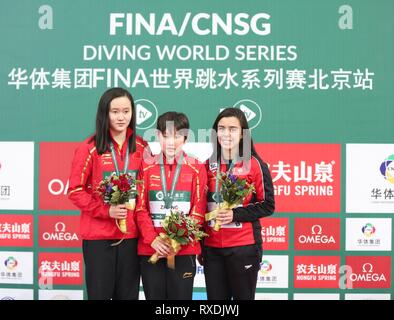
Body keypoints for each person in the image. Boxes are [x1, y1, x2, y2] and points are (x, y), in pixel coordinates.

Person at [67, 87, 148, 300]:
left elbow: (147, 188)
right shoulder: (90, 148)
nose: (121, 117)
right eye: (115, 112)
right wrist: (106, 210)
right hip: (99, 238)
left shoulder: (141, 146)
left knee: (128, 296)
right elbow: (75, 190)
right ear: (105, 113)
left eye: (126, 111)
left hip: (131, 236)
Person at [201, 107, 275, 300]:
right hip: (212, 248)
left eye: (232, 129)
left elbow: (268, 205)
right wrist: (201, 244)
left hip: (243, 247)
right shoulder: (208, 165)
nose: (226, 133)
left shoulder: (255, 164)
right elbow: (200, 207)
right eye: (221, 128)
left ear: (243, 134)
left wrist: (236, 214)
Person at [135, 111, 207, 300]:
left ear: (185, 137)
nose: (171, 142)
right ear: (158, 136)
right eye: (165, 136)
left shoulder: (196, 168)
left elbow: (198, 211)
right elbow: (140, 208)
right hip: (152, 249)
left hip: (184, 249)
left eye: (177, 136)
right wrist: (153, 240)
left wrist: (177, 241)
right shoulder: (146, 166)